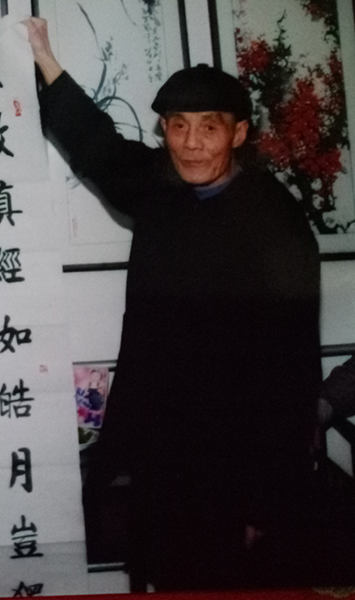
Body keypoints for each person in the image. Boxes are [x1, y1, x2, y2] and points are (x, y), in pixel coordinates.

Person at [25, 18, 321, 591]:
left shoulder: (276, 224)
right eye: (178, 127)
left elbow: (292, 374)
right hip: (159, 451)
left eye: (209, 128)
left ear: (239, 134)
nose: (191, 143)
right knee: (160, 577)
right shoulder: (161, 186)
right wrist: (43, 56)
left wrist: (265, 504)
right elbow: (98, 145)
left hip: (235, 466)